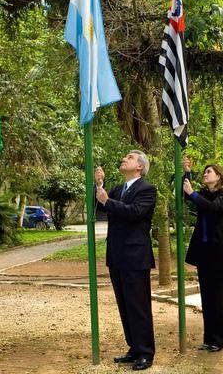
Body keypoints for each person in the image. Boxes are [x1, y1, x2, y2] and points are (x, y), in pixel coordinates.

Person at [95, 150, 157, 371]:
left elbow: (135, 212)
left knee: (138, 306)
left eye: (129, 158)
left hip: (136, 256)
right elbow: (102, 209)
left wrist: (107, 201)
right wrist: (99, 186)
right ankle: (134, 347)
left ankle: (146, 352)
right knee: (124, 304)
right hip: (117, 255)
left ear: (139, 166)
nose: (124, 159)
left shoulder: (147, 189)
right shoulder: (118, 189)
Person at [183, 161, 223, 352]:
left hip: (219, 253)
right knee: (206, 296)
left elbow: (213, 208)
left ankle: (218, 340)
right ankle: (208, 339)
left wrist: (193, 193)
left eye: (209, 172)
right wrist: (187, 174)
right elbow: (187, 194)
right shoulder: (203, 194)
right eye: (204, 172)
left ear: (218, 176)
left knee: (218, 297)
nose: (205, 175)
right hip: (203, 252)